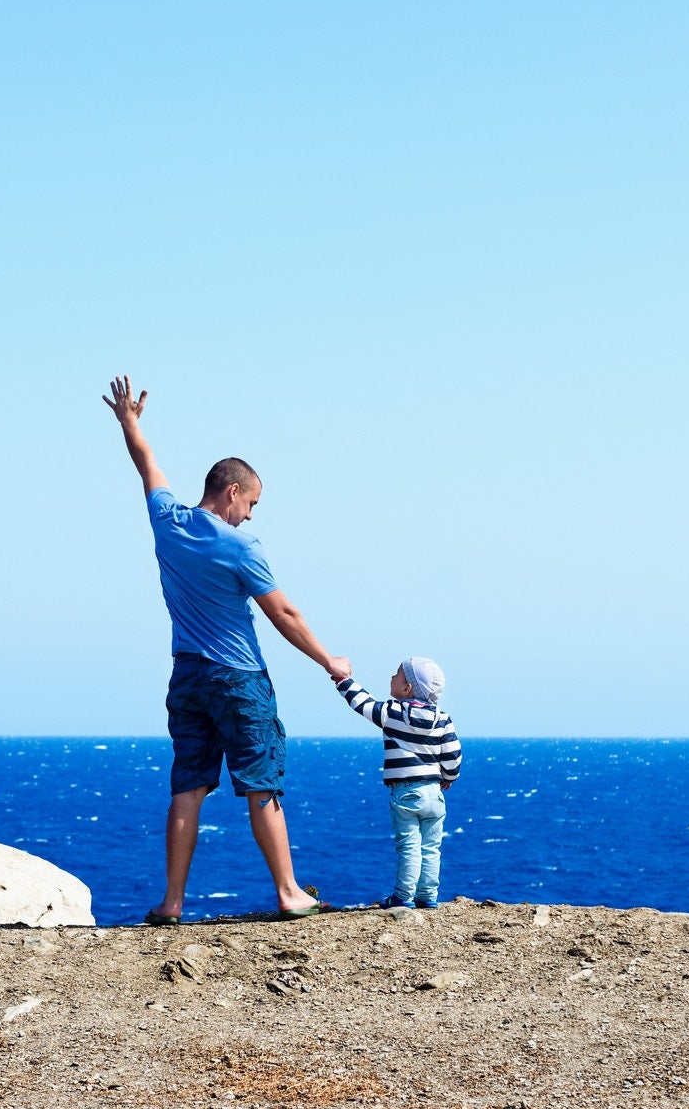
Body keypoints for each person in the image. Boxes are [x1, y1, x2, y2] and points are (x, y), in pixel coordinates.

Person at [103, 375, 345, 925]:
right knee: (261, 781)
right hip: (237, 676)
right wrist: (330, 662)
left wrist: (129, 422)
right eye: (252, 502)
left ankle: (171, 902)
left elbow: (147, 465)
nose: (253, 515)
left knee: (188, 786)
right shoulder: (239, 545)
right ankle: (288, 891)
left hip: (186, 674)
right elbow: (283, 613)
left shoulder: (167, 521)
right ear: (232, 491)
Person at [327, 656, 461, 909]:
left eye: (396, 675)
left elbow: (362, 703)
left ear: (406, 689)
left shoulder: (393, 713)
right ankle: (428, 896)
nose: (391, 676)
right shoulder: (443, 719)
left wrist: (344, 680)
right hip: (435, 793)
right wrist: (448, 777)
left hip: (406, 793)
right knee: (431, 847)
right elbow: (453, 755)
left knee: (409, 846)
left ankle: (403, 897)